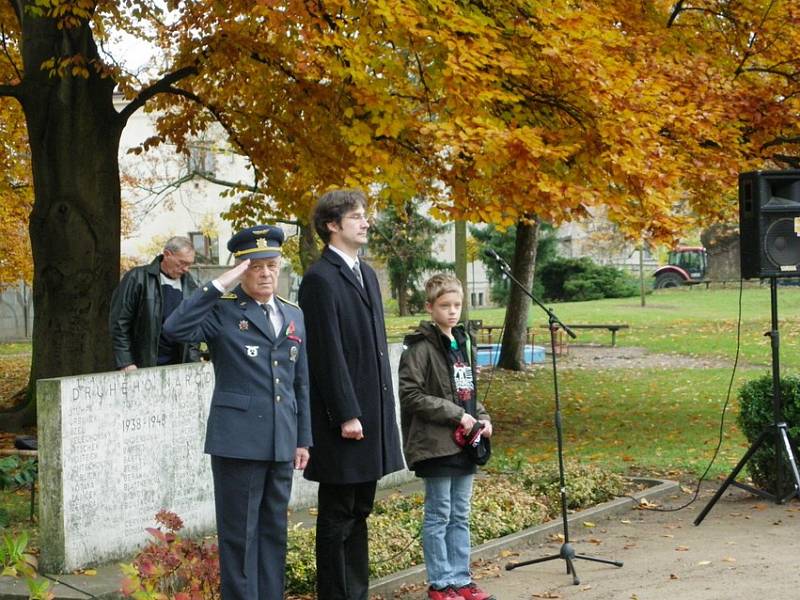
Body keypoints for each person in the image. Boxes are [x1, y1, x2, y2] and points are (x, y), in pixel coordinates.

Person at [162, 225, 312, 600]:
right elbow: (174, 328)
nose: (264, 273)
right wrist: (220, 284)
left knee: (273, 533)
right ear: (241, 270)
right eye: (254, 266)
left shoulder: (293, 314)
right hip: (238, 442)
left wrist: (303, 438)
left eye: (271, 265)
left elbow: (301, 382)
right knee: (239, 536)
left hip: (281, 440)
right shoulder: (222, 311)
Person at [298, 189, 404, 600]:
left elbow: (374, 348)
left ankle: (354, 593)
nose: (365, 223)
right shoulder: (319, 278)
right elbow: (325, 353)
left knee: (360, 511)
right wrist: (346, 414)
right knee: (339, 514)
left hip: (372, 412)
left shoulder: (367, 273)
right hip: (345, 420)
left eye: (364, 215)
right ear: (332, 225)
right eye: (356, 217)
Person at [398, 273, 494, 600]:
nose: (452, 311)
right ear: (430, 307)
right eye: (444, 306)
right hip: (434, 444)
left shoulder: (463, 342)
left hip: (465, 444)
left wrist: (481, 417)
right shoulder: (419, 347)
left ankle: (462, 579)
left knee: (461, 514)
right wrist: (458, 415)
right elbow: (411, 394)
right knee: (440, 514)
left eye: (457, 305)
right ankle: (441, 583)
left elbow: (466, 392)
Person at [109, 236, 200, 371]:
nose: (186, 269)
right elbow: (119, 323)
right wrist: (126, 362)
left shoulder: (191, 286)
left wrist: (193, 365)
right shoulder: (137, 278)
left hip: (178, 368)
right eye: (182, 263)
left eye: (189, 264)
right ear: (167, 254)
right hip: (140, 365)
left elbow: (192, 331)